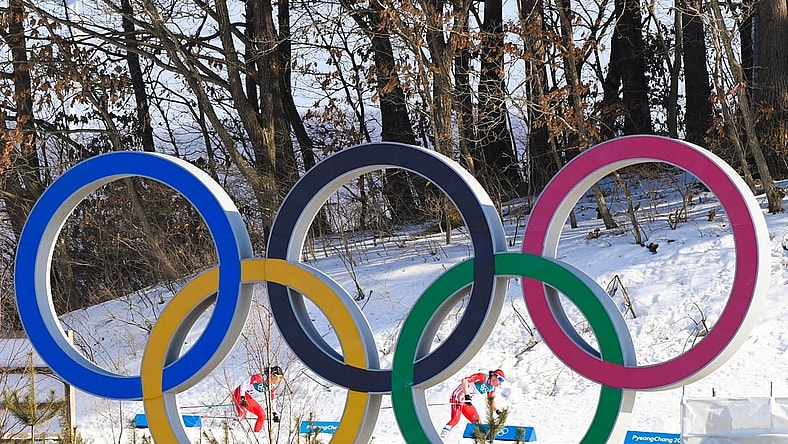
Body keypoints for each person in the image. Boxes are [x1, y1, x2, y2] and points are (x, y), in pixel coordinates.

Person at [440, 369, 505, 439]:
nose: (500, 383)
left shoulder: (491, 388)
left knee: (477, 422)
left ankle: (481, 440)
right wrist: (466, 395)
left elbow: (490, 401)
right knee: (455, 419)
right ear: (494, 377)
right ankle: (442, 436)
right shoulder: (482, 377)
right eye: (500, 380)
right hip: (458, 396)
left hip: (466, 401)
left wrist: (497, 411)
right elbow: (464, 381)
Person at [232, 366, 284, 432]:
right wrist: (242, 397)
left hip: (248, 396)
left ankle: (256, 434)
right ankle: (231, 430)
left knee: (262, 415)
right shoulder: (261, 377)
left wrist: (274, 412)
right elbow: (244, 383)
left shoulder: (272, 386)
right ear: (273, 375)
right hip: (239, 392)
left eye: (281, 378)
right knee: (243, 413)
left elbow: (272, 399)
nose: (279, 380)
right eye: (279, 377)